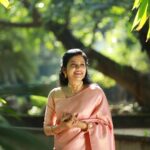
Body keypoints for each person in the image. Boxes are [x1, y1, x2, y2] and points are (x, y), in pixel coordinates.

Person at [43, 49, 115, 150]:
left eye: (82, 65)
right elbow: (46, 129)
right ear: (64, 70)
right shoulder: (54, 94)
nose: (79, 68)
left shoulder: (95, 92)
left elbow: (106, 125)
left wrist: (78, 124)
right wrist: (62, 127)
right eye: (73, 65)